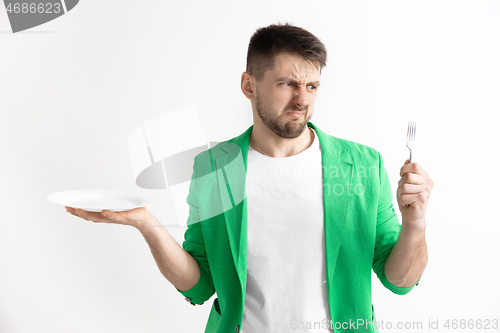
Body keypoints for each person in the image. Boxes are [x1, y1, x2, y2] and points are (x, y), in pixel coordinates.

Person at [66, 23, 433, 333]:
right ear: (249, 85)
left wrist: (414, 222)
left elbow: (399, 280)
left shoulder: (362, 165)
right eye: (287, 83)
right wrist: (147, 224)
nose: (301, 99)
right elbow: (199, 284)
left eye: (311, 86)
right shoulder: (214, 169)